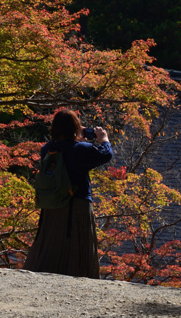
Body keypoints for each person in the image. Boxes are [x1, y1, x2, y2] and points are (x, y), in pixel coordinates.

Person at [23, 108, 112, 278]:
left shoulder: (47, 149)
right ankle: (79, 275)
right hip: (77, 203)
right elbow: (106, 154)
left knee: (51, 240)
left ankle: (42, 270)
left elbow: (65, 148)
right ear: (75, 127)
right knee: (77, 239)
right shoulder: (81, 149)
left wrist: (76, 136)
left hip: (52, 204)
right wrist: (103, 138)